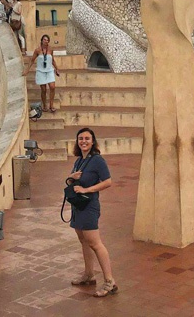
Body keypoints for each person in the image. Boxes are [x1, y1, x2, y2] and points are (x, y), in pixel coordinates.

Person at [68, 128, 117, 298]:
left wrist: (87, 189)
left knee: (95, 243)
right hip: (77, 206)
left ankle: (110, 281)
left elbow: (108, 181)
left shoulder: (97, 160)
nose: (83, 141)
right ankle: (88, 274)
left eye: (87, 138)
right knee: (83, 240)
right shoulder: (80, 160)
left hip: (89, 207)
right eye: (80, 138)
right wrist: (71, 178)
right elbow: (74, 181)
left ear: (93, 141)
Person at [26, 34, 60, 112]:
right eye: (44, 39)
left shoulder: (50, 49)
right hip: (41, 71)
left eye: (47, 40)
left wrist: (57, 69)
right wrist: (27, 70)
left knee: (52, 87)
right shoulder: (37, 50)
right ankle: (44, 105)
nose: (46, 41)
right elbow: (32, 60)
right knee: (43, 89)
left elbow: (52, 60)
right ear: (41, 40)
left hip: (49, 70)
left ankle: (51, 105)